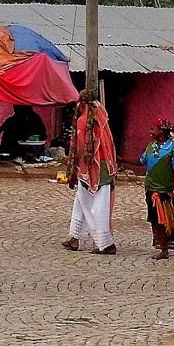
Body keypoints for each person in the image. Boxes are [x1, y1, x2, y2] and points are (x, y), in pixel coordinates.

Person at [63, 89, 118, 255]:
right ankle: (74, 238)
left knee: (96, 205)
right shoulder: (102, 118)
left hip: (90, 167)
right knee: (82, 201)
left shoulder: (83, 121)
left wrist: (74, 166)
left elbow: (81, 149)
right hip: (104, 166)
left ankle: (105, 243)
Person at [141, 119, 174, 259]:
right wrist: (122, 160)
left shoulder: (173, 148)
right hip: (151, 189)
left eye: (153, 129)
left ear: (162, 131)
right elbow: (142, 161)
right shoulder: (151, 146)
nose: (150, 131)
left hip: (166, 191)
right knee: (155, 220)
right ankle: (164, 249)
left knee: (170, 220)